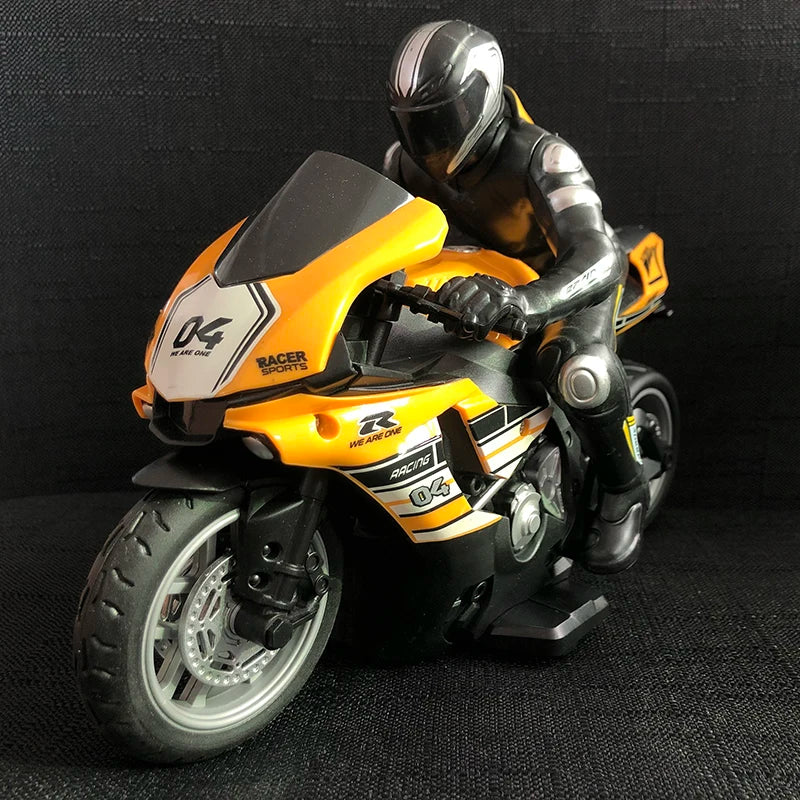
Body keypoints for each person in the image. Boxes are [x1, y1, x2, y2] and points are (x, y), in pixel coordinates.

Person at [383, 20, 647, 573]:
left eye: (442, 121)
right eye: (417, 125)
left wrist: (527, 301)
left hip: (565, 280)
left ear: (482, 97)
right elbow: (378, 239)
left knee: (577, 370)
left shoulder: (545, 158)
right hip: (480, 281)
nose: (431, 142)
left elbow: (598, 253)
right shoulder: (401, 163)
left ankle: (625, 490)